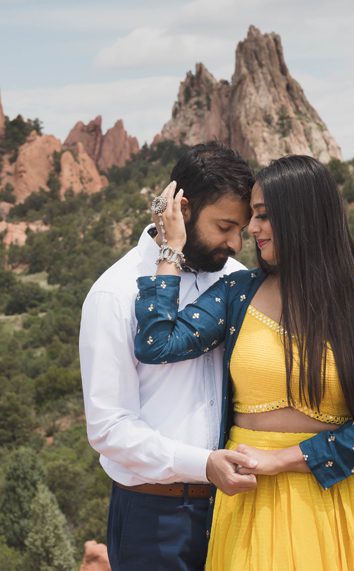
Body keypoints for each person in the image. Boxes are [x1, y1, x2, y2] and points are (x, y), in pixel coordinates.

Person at [134, 155, 354, 570]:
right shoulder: (238, 293)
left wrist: (282, 460)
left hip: (345, 502)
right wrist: (170, 248)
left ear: (303, 218)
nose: (252, 230)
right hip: (252, 503)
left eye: (264, 216)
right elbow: (156, 343)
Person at [79, 142, 258, 571]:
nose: (235, 243)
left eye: (242, 229)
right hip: (154, 518)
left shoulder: (236, 279)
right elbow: (108, 428)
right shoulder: (115, 292)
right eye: (224, 226)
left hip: (240, 509)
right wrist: (203, 465)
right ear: (183, 208)